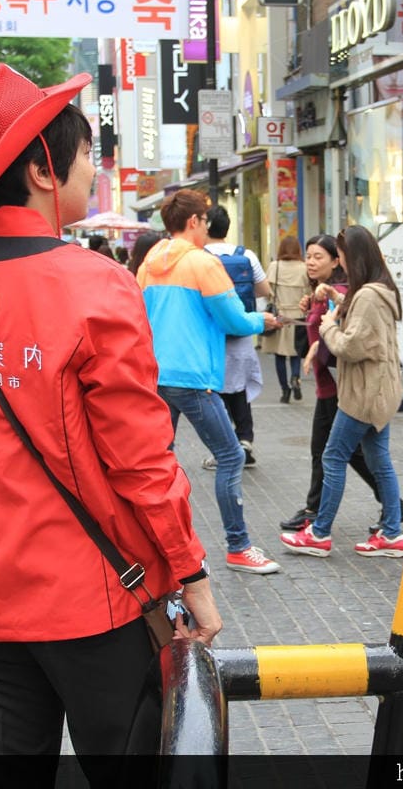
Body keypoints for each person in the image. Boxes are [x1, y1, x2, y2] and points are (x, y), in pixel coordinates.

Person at [0, 65, 222, 783]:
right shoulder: (96, 285)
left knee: (9, 766)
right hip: (95, 598)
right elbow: (141, 458)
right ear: (44, 168)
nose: (91, 171)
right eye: (85, 157)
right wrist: (190, 573)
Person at [137, 189, 282, 575]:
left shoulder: (150, 261)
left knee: (158, 461)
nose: (205, 226)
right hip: (193, 376)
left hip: (155, 374)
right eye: (203, 219)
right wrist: (261, 322)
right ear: (194, 222)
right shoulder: (202, 263)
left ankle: (155, 544)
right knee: (231, 455)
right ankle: (238, 546)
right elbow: (233, 319)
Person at [280, 225, 403, 558]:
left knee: (333, 456)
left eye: (343, 255)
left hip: (365, 391)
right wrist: (336, 299)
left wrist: (328, 328)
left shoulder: (367, 295)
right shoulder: (377, 290)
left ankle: (319, 533)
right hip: (379, 388)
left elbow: (352, 346)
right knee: (379, 461)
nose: (342, 262)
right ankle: (391, 532)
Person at [200, 207, 270, 467]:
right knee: (239, 388)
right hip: (241, 332)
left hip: (211, 334)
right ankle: (244, 439)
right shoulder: (246, 255)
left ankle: (225, 448)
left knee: (215, 391)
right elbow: (264, 290)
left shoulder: (199, 257)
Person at [264, 235, 310, 403]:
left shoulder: (274, 267)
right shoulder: (304, 268)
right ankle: (296, 378)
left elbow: (268, 292)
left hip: (280, 317)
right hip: (298, 315)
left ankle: (285, 390)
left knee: (280, 355)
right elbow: (309, 292)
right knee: (296, 352)